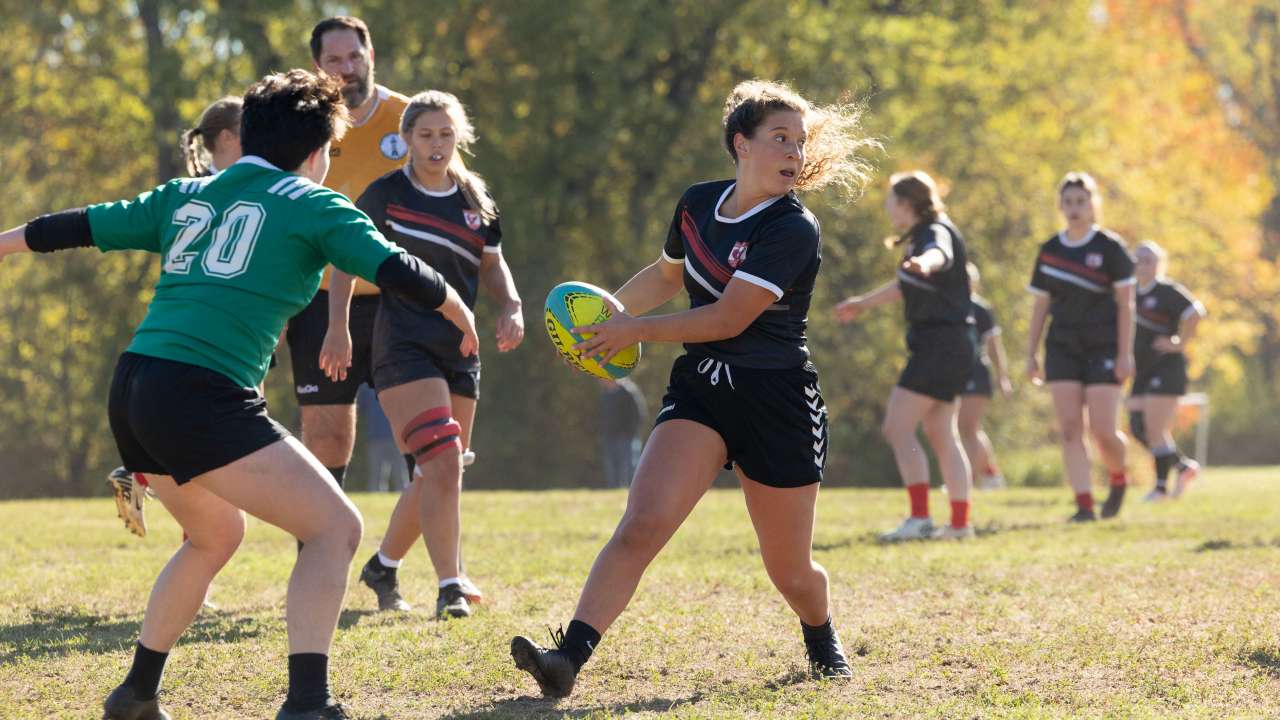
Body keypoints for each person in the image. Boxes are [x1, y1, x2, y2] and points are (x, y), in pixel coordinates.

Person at [0, 69, 478, 720]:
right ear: (318, 153)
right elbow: (401, 271)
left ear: (247, 135)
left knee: (213, 534)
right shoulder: (316, 204)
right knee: (336, 527)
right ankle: (308, 703)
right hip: (202, 392)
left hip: (135, 384)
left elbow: (79, 225)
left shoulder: (187, 195)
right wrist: (459, 310)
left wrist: (4, 243)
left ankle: (137, 693)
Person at [509, 79, 879, 698]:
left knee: (789, 572)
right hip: (703, 390)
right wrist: (599, 330)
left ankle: (820, 633)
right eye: (779, 138)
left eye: (800, 140)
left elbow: (726, 319)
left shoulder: (794, 229)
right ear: (741, 144)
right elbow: (664, 276)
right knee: (641, 524)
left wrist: (631, 331)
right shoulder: (697, 203)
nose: (794, 151)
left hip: (777, 401)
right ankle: (567, 658)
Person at [322, 90, 524, 618]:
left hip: (461, 347)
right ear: (406, 139)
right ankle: (451, 583)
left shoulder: (476, 200)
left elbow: (492, 263)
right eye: (425, 134)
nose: (436, 144)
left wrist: (512, 304)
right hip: (402, 345)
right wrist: (338, 327)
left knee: (442, 468)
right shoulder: (385, 194)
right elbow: (345, 258)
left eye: (446, 134)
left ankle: (384, 566)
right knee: (441, 459)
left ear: (460, 138)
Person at [106, 96, 245, 539]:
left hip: (220, 336)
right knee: (214, 456)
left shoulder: (206, 189)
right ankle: (195, 556)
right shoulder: (226, 191)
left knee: (210, 455)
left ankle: (140, 476)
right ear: (226, 138)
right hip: (217, 338)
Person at [285, 16, 412, 490]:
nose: (347, 68)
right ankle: (319, 555)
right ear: (317, 66)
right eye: (334, 60)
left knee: (420, 433)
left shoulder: (410, 120)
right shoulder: (300, 131)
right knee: (327, 436)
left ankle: (433, 561)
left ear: (370, 55)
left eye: (355, 56)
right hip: (318, 299)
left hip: (399, 295)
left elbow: (451, 196)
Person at [833, 170, 976, 541]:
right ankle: (959, 525)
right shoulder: (919, 237)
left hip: (940, 345)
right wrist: (861, 304)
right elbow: (903, 285)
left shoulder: (933, 233)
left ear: (907, 204)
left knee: (897, 426)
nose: (887, 208)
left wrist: (926, 262)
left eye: (891, 201)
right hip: (952, 343)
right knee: (942, 432)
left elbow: (939, 255)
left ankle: (920, 519)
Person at [1025, 172, 1135, 522]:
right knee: (1071, 428)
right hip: (1062, 348)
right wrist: (1031, 353)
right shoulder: (1050, 251)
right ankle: (1084, 505)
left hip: (1104, 348)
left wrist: (1125, 353)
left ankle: (1119, 478)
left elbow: (1126, 304)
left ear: (1092, 205)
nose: (1074, 209)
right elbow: (1040, 306)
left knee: (1104, 431)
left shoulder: (1110, 248)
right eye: (1069, 202)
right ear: (1061, 206)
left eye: (1081, 202)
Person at [1128, 240, 1206, 501]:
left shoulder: (1166, 291)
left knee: (1154, 428)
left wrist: (1180, 343)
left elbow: (1196, 313)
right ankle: (1183, 467)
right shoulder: (1128, 292)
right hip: (1142, 370)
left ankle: (1160, 489)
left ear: (1158, 264)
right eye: (1138, 259)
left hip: (1166, 367)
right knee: (1138, 427)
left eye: (1148, 260)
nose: (1142, 264)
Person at [959, 263, 1011, 490]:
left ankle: (967, 481)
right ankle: (990, 473)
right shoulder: (948, 307)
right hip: (953, 373)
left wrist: (1002, 377)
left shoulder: (981, 310)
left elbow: (994, 347)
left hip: (976, 373)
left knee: (968, 427)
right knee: (964, 429)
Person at [599, 378, 647, 488]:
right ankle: (613, 488)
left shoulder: (629, 391)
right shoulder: (606, 394)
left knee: (629, 464)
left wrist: (631, 431)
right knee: (611, 464)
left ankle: (632, 489)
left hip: (627, 436)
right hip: (610, 436)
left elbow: (639, 414)